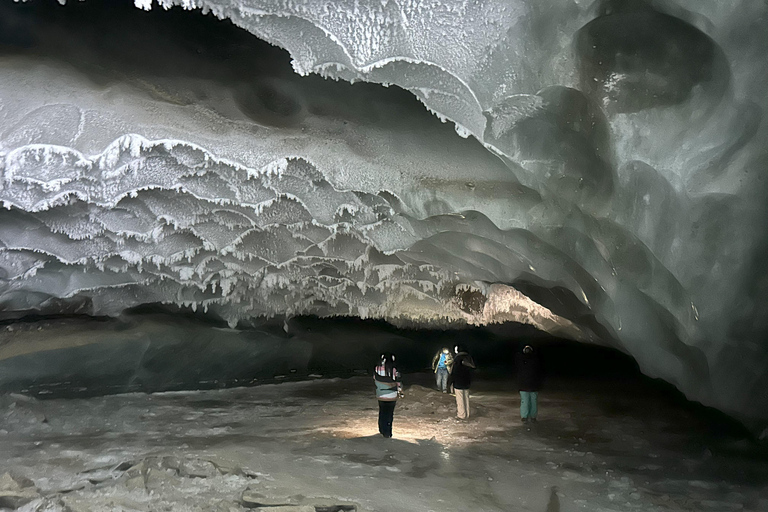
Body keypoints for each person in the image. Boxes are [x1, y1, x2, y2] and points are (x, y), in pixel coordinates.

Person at [374, 353, 403, 438]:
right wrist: (400, 390)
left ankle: (382, 430)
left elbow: (374, 379)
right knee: (389, 414)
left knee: (382, 412)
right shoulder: (394, 370)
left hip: (381, 395)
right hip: (392, 396)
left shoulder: (377, 368)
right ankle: (388, 432)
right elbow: (398, 382)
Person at [516, 344, 544, 423]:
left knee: (525, 401)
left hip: (523, 385)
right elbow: (540, 373)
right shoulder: (536, 360)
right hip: (533, 385)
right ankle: (533, 417)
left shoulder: (520, 361)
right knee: (533, 401)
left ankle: (524, 417)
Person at [448, 345, 476, 420]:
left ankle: (461, 415)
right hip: (466, 381)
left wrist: (451, 382)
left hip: (458, 381)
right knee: (466, 398)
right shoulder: (469, 358)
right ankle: (467, 414)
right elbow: (472, 370)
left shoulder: (457, 359)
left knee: (460, 399)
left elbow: (454, 372)